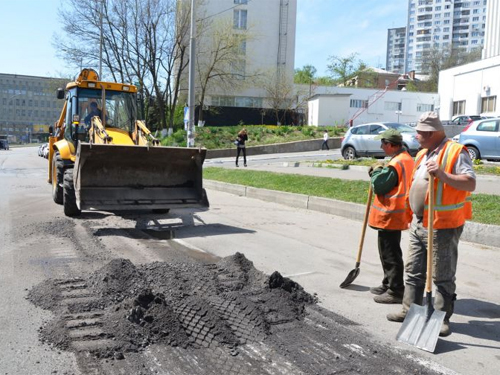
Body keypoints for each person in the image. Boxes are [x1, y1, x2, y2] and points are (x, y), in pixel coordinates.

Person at [386, 112, 476, 337]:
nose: (416, 136)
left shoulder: (456, 152)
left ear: (432, 133)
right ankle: (409, 311)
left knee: (442, 275)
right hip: (420, 223)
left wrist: (443, 174)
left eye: (419, 132)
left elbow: (470, 183)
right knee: (414, 270)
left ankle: (441, 318)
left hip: (443, 225)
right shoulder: (423, 153)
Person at [368, 129, 414, 304]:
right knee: (388, 251)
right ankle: (388, 283)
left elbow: (379, 186)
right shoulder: (406, 159)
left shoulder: (397, 163)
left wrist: (375, 173)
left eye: (382, 144)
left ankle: (396, 290)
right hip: (396, 214)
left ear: (389, 144)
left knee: (390, 254)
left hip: (390, 215)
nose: (381, 146)